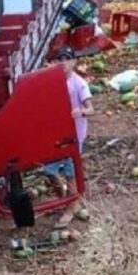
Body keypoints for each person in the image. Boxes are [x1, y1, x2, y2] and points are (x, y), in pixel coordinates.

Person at [43, 48, 94, 228]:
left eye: (67, 59)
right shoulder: (52, 82)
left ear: (73, 62)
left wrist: (81, 112)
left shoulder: (79, 84)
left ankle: (71, 208)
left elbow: (91, 109)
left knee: (71, 172)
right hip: (57, 135)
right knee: (49, 171)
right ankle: (64, 200)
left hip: (74, 136)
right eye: (60, 59)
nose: (64, 63)